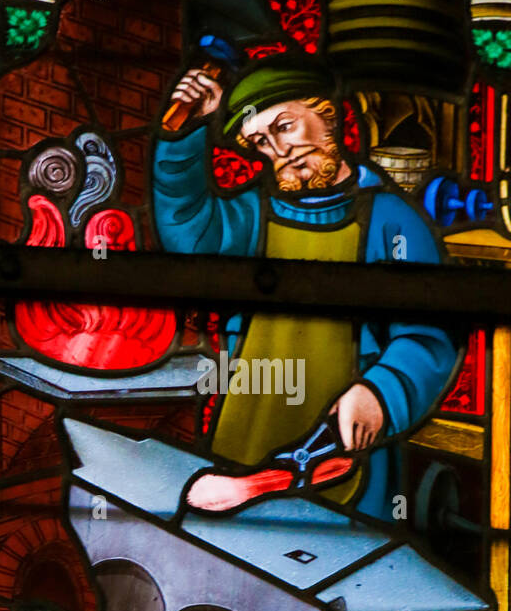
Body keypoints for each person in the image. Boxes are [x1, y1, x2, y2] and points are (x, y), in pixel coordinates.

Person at [152, 58, 458, 520]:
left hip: (350, 463)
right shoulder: (252, 216)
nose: (279, 147)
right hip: (240, 449)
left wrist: (382, 392)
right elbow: (187, 234)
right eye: (260, 140)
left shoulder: (392, 221)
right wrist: (186, 136)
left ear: (327, 115)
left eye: (286, 125)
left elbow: (427, 334)